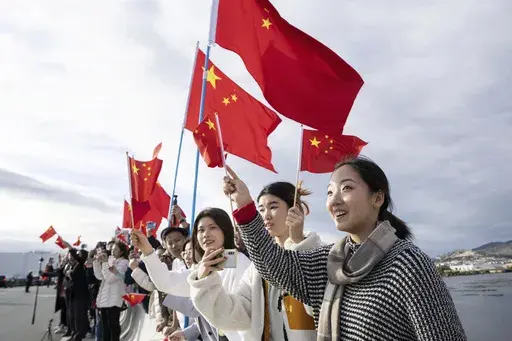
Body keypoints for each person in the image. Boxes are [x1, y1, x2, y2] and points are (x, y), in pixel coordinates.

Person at [222, 159, 467, 341]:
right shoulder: (328, 261)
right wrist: (245, 205)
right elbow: (272, 264)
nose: (334, 200)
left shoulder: (407, 263)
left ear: (377, 198)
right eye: (330, 192)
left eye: (346, 188)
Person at [189, 182, 323, 341]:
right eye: (261, 210)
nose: (265, 215)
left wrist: (298, 243)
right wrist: (204, 282)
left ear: (296, 208)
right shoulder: (256, 270)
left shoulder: (320, 254)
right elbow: (234, 314)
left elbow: (319, 308)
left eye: (273, 207)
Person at [131, 207, 251, 341]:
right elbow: (166, 283)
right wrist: (147, 251)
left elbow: (242, 318)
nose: (205, 234)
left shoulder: (237, 261)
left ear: (225, 230)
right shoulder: (204, 266)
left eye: (212, 227)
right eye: (201, 230)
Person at [93, 241, 129, 341]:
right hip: (105, 297)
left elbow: (110, 279)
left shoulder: (124, 262)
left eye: (115, 249)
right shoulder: (110, 260)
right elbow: (100, 277)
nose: (112, 251)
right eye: (112, 249)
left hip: (115, 298)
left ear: (121, 252)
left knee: (113, 326)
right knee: (105, 327)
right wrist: (97, 263)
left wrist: (104, 263)